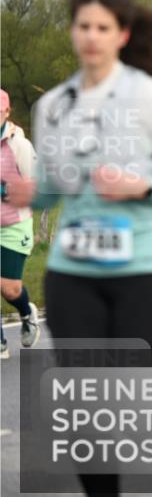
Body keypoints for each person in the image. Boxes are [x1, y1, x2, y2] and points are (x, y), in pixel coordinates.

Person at [5, 0, 152, 497]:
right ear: (73, 32)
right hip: (73, 272)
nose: (92, 37)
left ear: (122, 35)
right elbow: (55, 187)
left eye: (103, 27)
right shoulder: (54, 106)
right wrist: (32, 191)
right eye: (84, 26)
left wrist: (139, 187)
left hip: (142, 269)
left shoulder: (147, 96)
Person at [0, 89, 40, 359]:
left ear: (7, 111)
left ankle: (27, 313)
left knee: (9, 288)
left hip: (14, 224)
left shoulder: (20, 146)